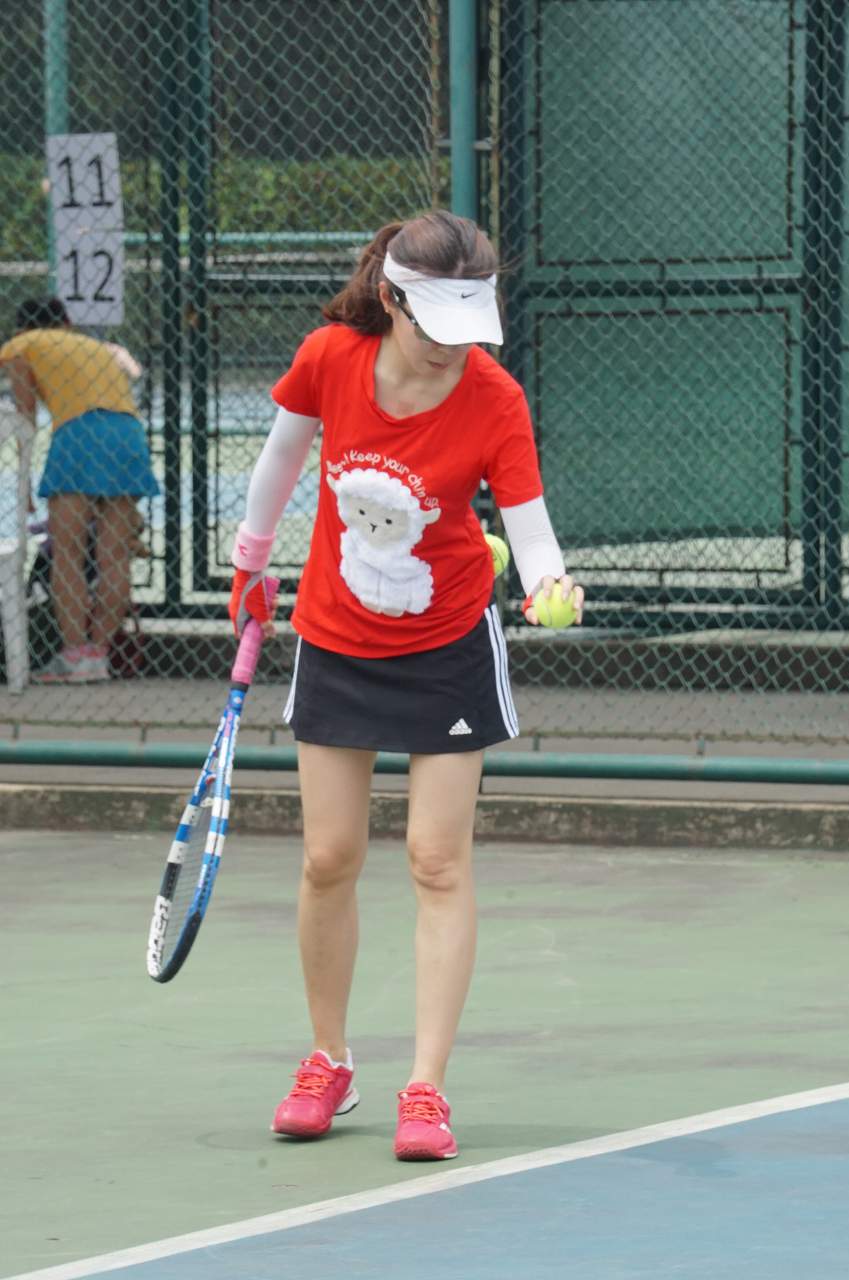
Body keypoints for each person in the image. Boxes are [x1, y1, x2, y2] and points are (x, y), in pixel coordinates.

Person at [229, 209, 584, 1162]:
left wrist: (547, 580)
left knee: (435, 859)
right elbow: (281, 456)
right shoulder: (330, 357)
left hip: (448, 642)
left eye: (469, 330)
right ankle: (327, 1059)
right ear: (391, 300)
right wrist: (251, 561)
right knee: (327, 858)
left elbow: (527, 518)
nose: (452, 349)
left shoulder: (494, 396)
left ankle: (425, 1087)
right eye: (436, 327)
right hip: (336, 636)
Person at [0, 298, 159, 682]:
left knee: (67, 552)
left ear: (22, 327)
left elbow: (25, 416)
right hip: (128, 433)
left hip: (78, 432)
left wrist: (24, 483)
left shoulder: (21, 345)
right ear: (67, 323)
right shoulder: (97, 347)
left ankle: (74, 654)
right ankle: (97, 656)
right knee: (114, 555)